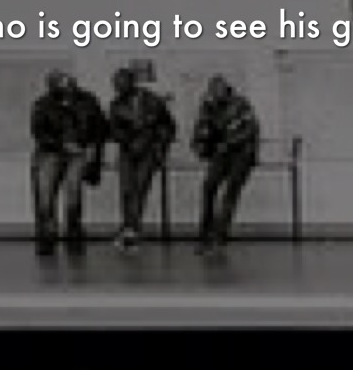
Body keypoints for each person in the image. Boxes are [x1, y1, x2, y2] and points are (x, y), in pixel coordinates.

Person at [30, 70, 107, 256]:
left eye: (70, 83)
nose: (68, 87)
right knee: (46, 197)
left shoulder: (88, 100)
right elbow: (39, 133)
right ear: (52, 86)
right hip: (50, 153)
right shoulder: (42, 104)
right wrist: (62, 145)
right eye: (62, 84)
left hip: (79, 153)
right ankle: (47, 237)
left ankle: (74, 235)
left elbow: (101, 127)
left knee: (74, 194)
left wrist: (93, 147)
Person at [108, 67, 177, 252]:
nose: (116, 88)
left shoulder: (153, 100)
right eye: (115, 84)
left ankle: (131, 231)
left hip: (148, 152)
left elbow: (169, 126)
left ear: (131, 83)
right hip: (127, 151)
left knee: (139, 190)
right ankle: (129, 229)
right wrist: (128, 140)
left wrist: (159, 145)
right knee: (126, 191)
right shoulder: (116, 104)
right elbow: (113, 129)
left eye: (120, 84)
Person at [191, 75, 260, 254]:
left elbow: (251, 129)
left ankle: (219, 236)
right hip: (221, 153)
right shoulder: (208, 106)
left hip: (242, 153)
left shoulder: (241, 104)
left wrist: (230, 143)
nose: (215, 94)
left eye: (218, 90)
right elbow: (200, 128)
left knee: (230, 192)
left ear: (226, 90)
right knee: (208, 187)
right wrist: (199, 144)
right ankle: (205, 234)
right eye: (213, 91)